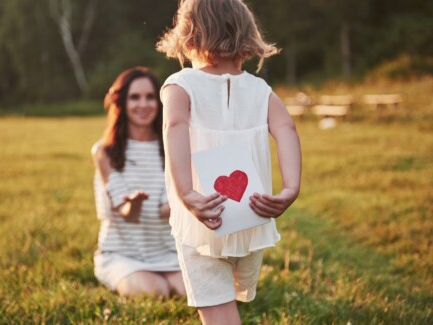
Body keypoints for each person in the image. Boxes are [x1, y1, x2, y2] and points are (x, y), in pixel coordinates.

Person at [156, 0, 301, 324]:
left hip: (204, 213)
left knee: (218, 308)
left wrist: (186, 191)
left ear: (188, 35)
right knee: (228, 299)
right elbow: (287, 130)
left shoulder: (181, 85)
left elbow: (174, 127)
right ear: (248, 36)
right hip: (250, 216)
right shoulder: (261, 90)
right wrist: (290, 188)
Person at [91, 67, 185, 298]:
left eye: (150, 97)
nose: (143, 104)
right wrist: (134, 203)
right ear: (121, 102)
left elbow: (166, 211)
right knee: (155, 291)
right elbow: (128, 214)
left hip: (167, 252)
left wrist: (192, 198)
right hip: (123, 254)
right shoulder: (105, 152)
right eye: (135, 97)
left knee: (189, 291)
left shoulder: (172, 148)